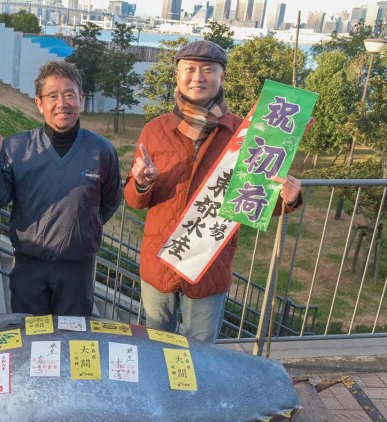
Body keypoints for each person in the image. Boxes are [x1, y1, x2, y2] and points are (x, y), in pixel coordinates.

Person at [124, 40, 303, 343]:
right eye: (190, 69)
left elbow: (254, 197)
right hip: (159, 262)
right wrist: (142, 182)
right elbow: (133, 199)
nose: (198, 77)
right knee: (155, 349)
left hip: (209, 264)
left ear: (223, 77)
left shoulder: (246, 135)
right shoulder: (155, 130)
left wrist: (289, 199)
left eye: (208, 69)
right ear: (177, 75)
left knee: (200, 354)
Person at [0, 61, 122, 316]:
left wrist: (83, 226)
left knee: (73, 344)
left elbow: (109, 201)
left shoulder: (101, 150)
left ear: (81, 98)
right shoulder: (16, 148)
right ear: (39, 103)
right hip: (29, 268)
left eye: (69, 95)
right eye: (53, 96)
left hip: (78, 270)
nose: (62, 103)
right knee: (30, 342)